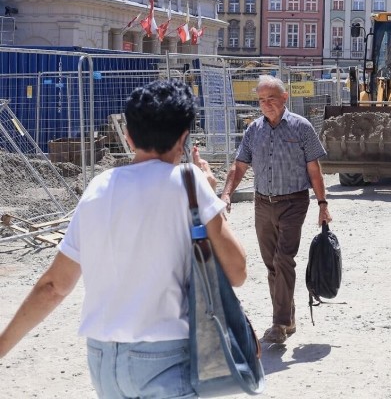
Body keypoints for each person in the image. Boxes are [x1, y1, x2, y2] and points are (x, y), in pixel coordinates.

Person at [0, 80, 247, 398]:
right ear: (184, 138)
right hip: (165, 358)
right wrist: (210, 196)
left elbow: (54, 286)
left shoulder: (99, 187)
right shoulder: (189, 182)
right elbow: (237, 271)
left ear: (128, 136)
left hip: (103, 362)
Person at [220, 74, 332, 345]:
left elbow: (314, 170)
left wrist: (322, 204)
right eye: (261, 100)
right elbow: (239, 166)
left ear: (285, 98)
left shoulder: (302, 127)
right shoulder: (253, 130)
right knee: (272, 265)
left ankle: (279, 324)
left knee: (284, 260)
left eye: (271, 99)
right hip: (262, 204)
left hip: (294, 202)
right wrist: (225, 194)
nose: (266, 104)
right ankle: (289, 316)